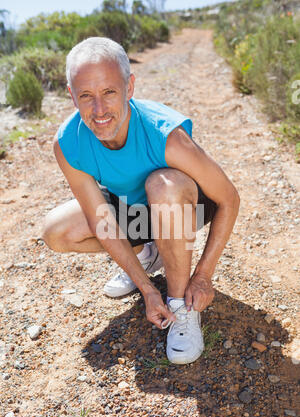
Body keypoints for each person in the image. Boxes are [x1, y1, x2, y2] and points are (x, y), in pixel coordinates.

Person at [42, 37, 240, 365]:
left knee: (161, 184)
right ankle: (147, 253)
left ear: (129, 87)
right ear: (71, 95)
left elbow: (229, 199)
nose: (99, 110)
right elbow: (100, 221)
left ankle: (181, 305)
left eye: (109, 92)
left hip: (185, 205)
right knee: (56, 230)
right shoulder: (68, 143)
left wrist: (203, 275)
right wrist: (147, 289)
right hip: (140, 212)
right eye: (86, 96)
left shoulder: (167, 136)